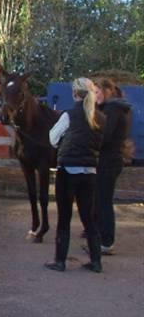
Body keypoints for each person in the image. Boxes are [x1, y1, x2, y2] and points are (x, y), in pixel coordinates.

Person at [46, 78, 105, 273]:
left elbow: (53, 138)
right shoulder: (101, 118)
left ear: (74, 94)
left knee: (64, 217)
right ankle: (96, 261)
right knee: (88, 218)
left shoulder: (68, 115)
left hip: (68, 170)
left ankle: (60, 261)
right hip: (90, 172)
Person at [92, 78, 132, 255]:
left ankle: (107, 242)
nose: (95, 95)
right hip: (108, 160)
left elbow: (105, 137)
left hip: (108, 161)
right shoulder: (110, 109)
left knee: (104, 201)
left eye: (98, 91)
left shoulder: (112, 110)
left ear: (108, 91)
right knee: (100, 199)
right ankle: (100, 236)